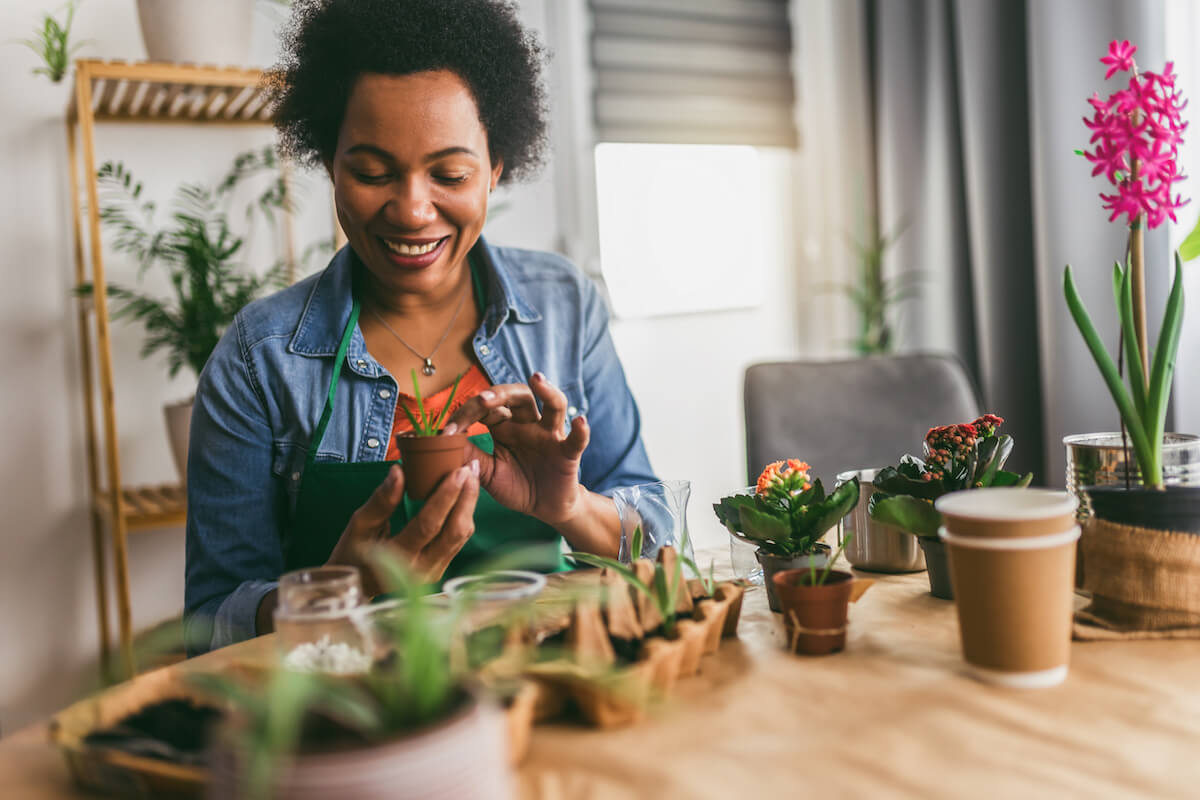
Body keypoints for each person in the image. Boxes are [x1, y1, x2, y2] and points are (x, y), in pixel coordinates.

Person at [183, 0, 657, 653]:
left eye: (450, 174)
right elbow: (210, 625)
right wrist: (330, 595)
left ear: (496, 168)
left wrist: (572, 508)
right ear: (330, 165)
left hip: (551, 689)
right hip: (360, 721)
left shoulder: (564, 307)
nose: (411, 209)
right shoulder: (259, 359)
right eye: (372, 172)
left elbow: (658, 536)